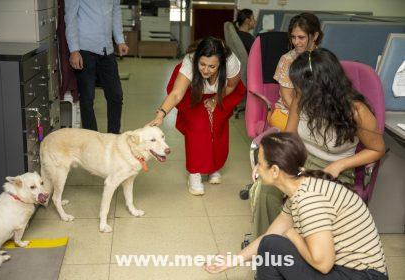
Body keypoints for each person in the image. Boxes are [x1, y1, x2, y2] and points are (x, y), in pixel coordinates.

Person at [204, 132, 388, 280]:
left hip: (361, 275)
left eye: (259, 164)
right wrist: (233, 261)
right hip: (349, 270)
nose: (256, 169)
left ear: (275, 171)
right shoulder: (301, 187)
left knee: (273, 247)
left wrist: (292, 235)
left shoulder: (309, 199)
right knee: (271, 245)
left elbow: (323, 264)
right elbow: (271, 234)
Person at [252, 47, 385, 238]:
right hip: (301, 161)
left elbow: (377, 149)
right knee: (266, 190)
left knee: (309, 202)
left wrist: (340, 164)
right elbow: (289, 136)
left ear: (321, 86)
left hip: (334, 170)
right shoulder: (302, 97)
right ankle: (268, 251)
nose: (296, 90)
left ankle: (302, 253)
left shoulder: (356, 111)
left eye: (300, 86)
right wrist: (268, 162)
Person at [148, 37, 245, 195]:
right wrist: (161, 114)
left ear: (221, 63)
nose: (206, 70)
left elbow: (232, 85)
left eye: (212, 66)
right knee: (197, 127)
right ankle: (195, 173)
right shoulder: (190, 61)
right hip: (192, 91)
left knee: (217, 126)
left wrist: (215, 99)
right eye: (202, 64)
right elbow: (177, 93)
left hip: (221, 92)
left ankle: (213, 167)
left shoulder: (230, 61)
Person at [65, 0, 129, 134]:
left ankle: (113, 136)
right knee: (87, 98)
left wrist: (120, 40)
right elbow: (70, 18)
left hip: (107, 50)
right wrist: (74, 50)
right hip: (84, 49)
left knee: (116, 95)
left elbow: (116, 11)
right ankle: (91, 139)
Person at [270, 12, 323, 132]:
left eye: (301, 37)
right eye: (293, 37)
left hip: (316, 114)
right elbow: (287, 98)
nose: (296, 42)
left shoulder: (324, 59)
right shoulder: (287, 60)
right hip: (287, 112)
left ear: (315, 36)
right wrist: (308, 118)